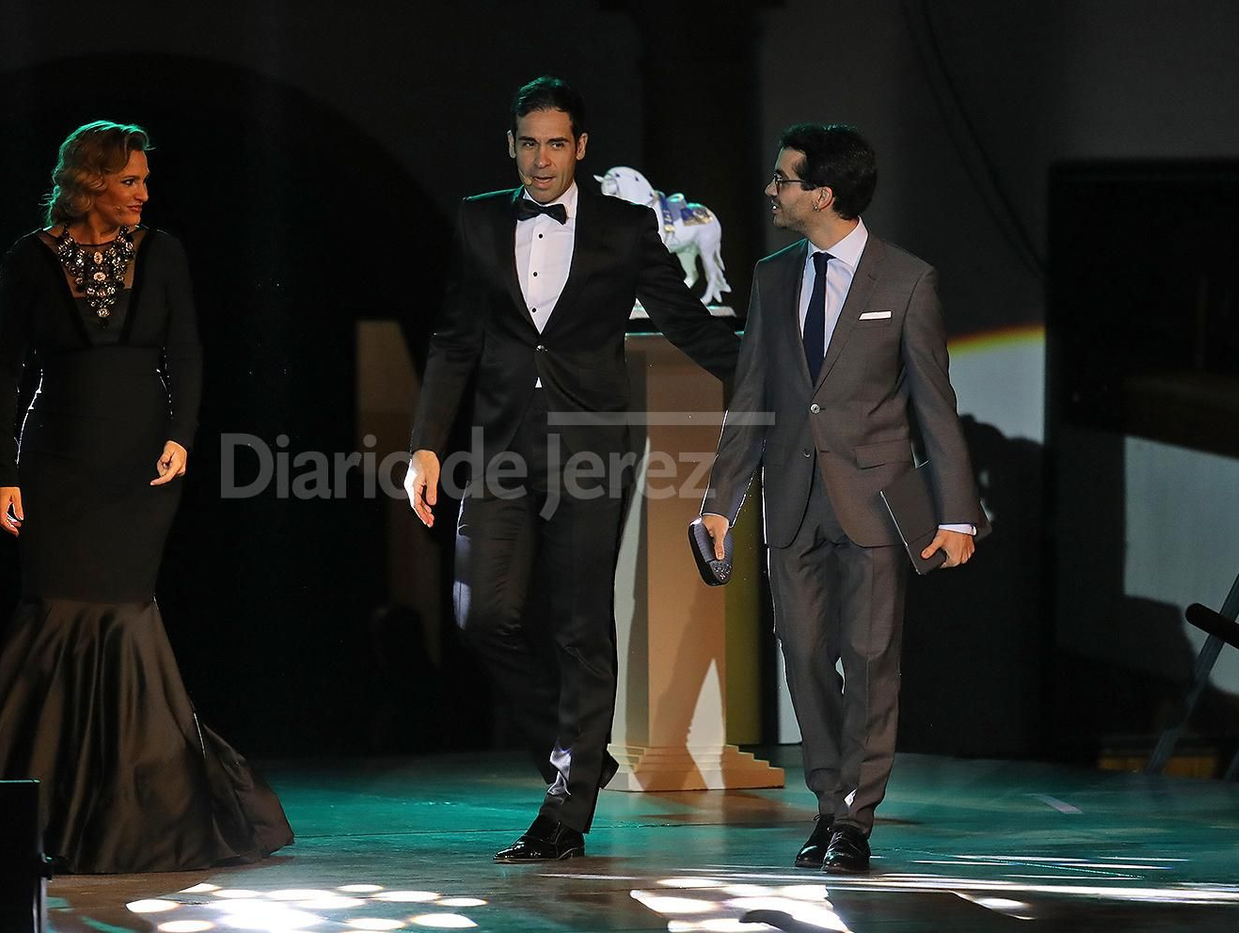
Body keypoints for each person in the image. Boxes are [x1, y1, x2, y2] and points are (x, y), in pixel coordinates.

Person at [405, 76, 739, 862]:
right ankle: (578, 748)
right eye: (529, 143)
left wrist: (775, 378)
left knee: (580, 624)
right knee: (480, 614)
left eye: (557, 143)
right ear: (511, 144)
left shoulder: (625, 227)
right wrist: (425, 441)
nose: (542, 159)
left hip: (593, 451)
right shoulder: (480, 217)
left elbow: (685, 321)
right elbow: (456, 335)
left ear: (581, 148)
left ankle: (566, 807)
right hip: (498, 448)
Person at [0, 120, 293, 873]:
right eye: (130, 180)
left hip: (140, 464)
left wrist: (182, 433)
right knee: (55, 616)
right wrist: (4, 470)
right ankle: (32, 811)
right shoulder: (29, 259)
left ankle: (132, 809)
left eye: (145, 179)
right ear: (90, 183)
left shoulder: (162, 251)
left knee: (123, 615)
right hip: (56, 462)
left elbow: (187, 350)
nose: (143, 193)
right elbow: (3, 366)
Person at [699, 124, 984, 874]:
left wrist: (958, 512)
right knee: (801, 659)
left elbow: (934, 404)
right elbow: (752, 399)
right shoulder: (770, 275)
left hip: (873, 505)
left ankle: (853, 819)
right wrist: (719, 503)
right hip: (791, 500)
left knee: (869, 659)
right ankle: (827, 803)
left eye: (783, 179)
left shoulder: (907, 280)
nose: (771, 189)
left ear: (822, 194)